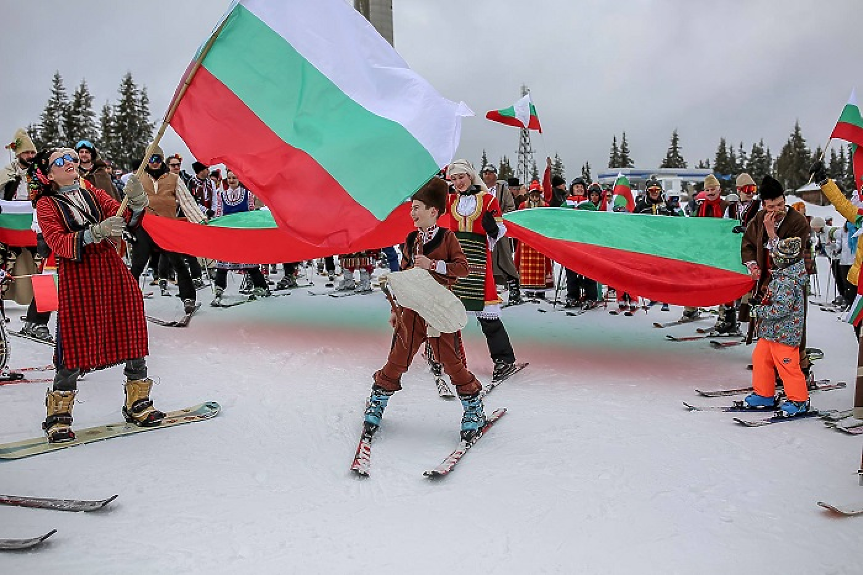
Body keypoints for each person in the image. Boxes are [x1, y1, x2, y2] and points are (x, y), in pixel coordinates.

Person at [29, 148, 161, 442]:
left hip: (110, 268)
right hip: (78, 275)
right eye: (60, 161)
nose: (69, 163)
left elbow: (124, 215)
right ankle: (58, 417)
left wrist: (138, 200)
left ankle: (137, 402)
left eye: (72, 158)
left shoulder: (94, 195)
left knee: (131, 326)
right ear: (49, 174)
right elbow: (57, 241)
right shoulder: (47, 205)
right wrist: (93, 233)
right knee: (75, 339)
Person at [363, 177, 488, 441]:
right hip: (413, 308)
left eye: (417, 207)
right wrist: (396, 308)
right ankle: (377, 402)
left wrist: (433, 265)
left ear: (433, 211)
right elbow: (406, 275)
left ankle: (473, 408)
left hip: (440, 307)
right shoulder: (410, 240)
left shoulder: (448, 237)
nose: (412, 212)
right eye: (412, 207)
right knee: (399, 357)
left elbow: (463, 268)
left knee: (451, 361)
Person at [444, 160, 520, 382]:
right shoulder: (450, 200)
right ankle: (448, 357)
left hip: (478, 258)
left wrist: (493, 229)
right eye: (454, 178)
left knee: (487, 314)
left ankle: (504, 359)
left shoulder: (488, 200)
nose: (458, 182)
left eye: (461, 177)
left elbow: (499, 232)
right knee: (449, 312)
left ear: (470, 176)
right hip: (456, 259)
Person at [741, 174, 814, 371]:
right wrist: (752, 264)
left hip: (790, 282)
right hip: (767, 279)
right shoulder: (758, 218)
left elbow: (790, 255)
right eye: (771, 207)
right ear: (763, 205)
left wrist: (772, 233)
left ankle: (799, 362)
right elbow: (747, 242)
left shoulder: (798, 222)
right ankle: (770, 361)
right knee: (767, 321)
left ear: (785, 200)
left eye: (780, 205)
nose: (776, 211)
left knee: (790, 324)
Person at [810, 160, 863, 420]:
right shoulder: (860, 215)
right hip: (860, 283)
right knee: (859, 333)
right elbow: (844, 206)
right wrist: (824, 182)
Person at [129, 145, 206, 314]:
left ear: (161, 160)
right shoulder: (138, 178)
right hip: (146, 227)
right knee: (137, 264)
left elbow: (187, 202)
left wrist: (200, 221)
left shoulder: (173, 178)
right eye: (150, 159)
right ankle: (126, 299)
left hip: (167, 227)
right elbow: (130, 204)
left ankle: (188, 298)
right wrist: (128, 225)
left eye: (157, 159)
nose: (154, 163)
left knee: (178, 262)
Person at [743, 237, 810, 415]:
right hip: (771, 332)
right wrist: (762, 302)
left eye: (775, 256)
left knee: (787, 365)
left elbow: (782, 308)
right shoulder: (781, 277)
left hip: (785, 334)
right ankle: (764, 393)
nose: (772, 258)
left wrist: (760, 312)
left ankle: (799, 400)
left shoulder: (788, 281)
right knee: (760, 359)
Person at [1, 128, 53, 340]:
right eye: (26, 153)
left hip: (36, 227)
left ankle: (38, 318)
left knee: (44, 270)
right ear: (18, 154)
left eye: (32, 153)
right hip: (10, 228)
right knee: (5, 267)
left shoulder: (41, 174)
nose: (30, 157)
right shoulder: (7, 173)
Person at [210, 169, 270, 305]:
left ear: (239, 179)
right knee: (223, 263)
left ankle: (261, 286)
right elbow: (219, 214)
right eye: (229, 178)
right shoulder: (222, 195)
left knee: (249, 262)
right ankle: (219, 286)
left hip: (243, 234)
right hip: (228, 234)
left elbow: (250, 213)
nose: (231, 180)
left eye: (234, 178)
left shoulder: (247, 195)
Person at [481, 164, 521, 304]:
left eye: (490, 172)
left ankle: (514, 290)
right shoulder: (480, 190)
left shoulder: (503, 190)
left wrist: (498, 218)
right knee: (485, 262)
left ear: (495, 174)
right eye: (485, 172)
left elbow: (511, 207)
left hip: (500, 230)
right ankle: (486, 292)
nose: (487, 175)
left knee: (505, 259)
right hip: (482, 231)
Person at [514, 183, 553, 299]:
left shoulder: (545, 206)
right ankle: (528, 288)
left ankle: (541, 290)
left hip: (540, 238)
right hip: (526, 238)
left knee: (542, 264)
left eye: (537, 196)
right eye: (533, 196)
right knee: (526, 265)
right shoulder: (523, 206)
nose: (535, 198)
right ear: (529, 195)